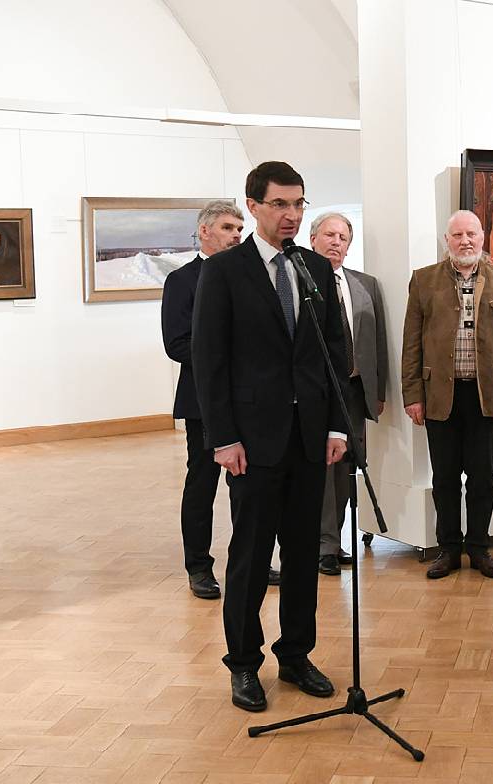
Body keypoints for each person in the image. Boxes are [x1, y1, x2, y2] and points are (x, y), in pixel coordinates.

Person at [192, 161, 349, 712]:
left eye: (299, 203)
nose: (291, 214)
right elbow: (209, 362)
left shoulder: (314, 267)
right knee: (251, 557)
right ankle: (243, 662)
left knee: (303, 556)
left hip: (309, 439)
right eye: (280, 204)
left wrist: (335, 424)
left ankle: (296, 654)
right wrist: (223, 438)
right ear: (253, 205)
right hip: (251, 444)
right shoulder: (224, 271)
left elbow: (334, 351)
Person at [401, 210, 493, 580]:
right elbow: (411, 344)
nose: (465, 241)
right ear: (447, 240)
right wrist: (412, 394)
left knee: (482, 479)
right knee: (444, 480)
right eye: (457, 235)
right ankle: (449, 549)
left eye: (471, 234)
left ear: (483, 237)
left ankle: (479, 548)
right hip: (440, 396)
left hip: (486, 397)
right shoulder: (424, 280)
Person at [161, 201, 246, 599]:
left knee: (249, 487)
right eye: (228, 227)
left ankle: (250, 560)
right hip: (203, 401)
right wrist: (228, 355)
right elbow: (177, 344)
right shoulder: (182, 281)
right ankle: (198, 566)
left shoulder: (249, 277)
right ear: (205, 231)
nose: (236, 235)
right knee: (202, 485)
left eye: (239, 228)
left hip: (250, 399)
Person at [309, 212, 389, 576]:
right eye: (329, 235)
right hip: (318, 394)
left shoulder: (365, 284)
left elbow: (378, 341)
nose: (336, 242)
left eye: (343, 237)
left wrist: (379, 390)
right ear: (313, 239)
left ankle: (334, 540)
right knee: (323, 470)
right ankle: (322, 544)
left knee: (345, 468)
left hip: (355, 392)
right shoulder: (300, 281)